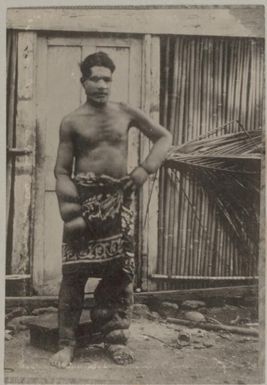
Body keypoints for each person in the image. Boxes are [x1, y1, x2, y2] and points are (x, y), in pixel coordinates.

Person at [50, 51, 172, 368]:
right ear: (83, 81)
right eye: (96, 78)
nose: (102, 84)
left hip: (119, 202)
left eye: (107, 79)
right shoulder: (72, 121)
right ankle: (66, 344)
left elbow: (163, 137)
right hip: (83, 202)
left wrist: (145, 169)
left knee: (119, 275)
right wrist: (71, 211)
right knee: (74, 276)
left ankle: (113, 339)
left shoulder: (125, 112)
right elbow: (62, 171)